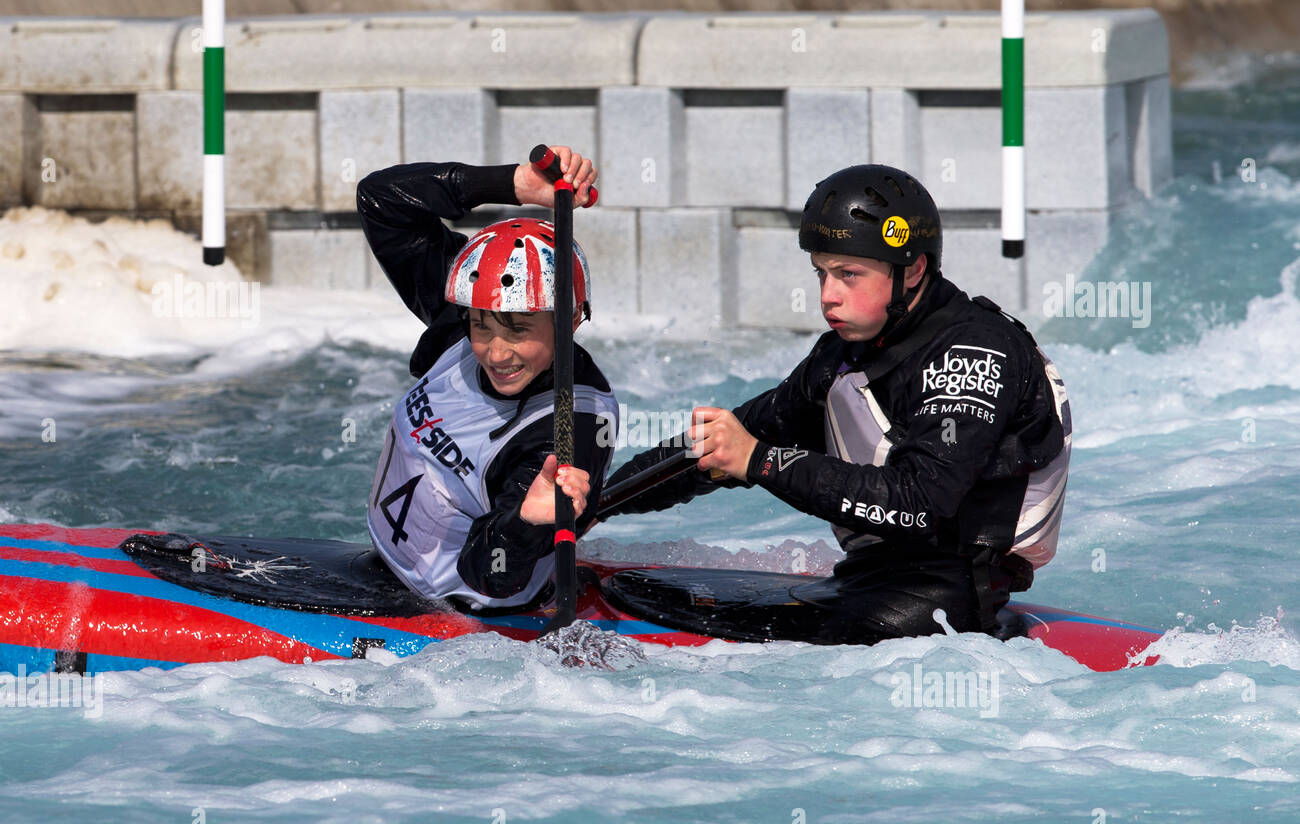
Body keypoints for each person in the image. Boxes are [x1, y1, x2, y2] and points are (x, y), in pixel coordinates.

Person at [601, 164, 1071, 643]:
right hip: (870, 584)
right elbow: (723, 442)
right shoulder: (848, 353)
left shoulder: (974, 353)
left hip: (943, 617)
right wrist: (595, 504)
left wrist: (761, 461)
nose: (828, 297)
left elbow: (920, 503)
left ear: (912, 270)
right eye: (821, 274)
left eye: (849, 275)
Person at [356, 147, 618, 611]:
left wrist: (526, 522)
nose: (495, 353)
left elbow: (492, 575)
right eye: (482, 326)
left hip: (457, 609)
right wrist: (514, 184)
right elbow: (381, 199)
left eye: (518, 329)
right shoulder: (462, 317)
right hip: (387, 568)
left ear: (571, 319)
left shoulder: (567, 431)